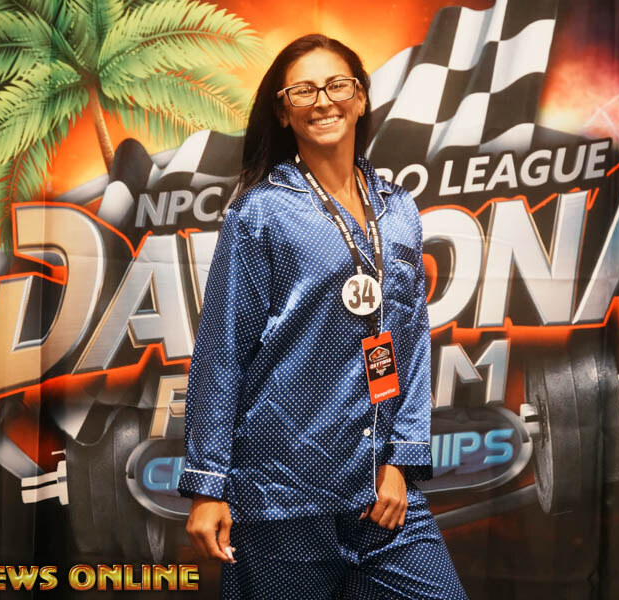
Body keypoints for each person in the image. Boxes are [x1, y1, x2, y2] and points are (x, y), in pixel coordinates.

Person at [176, 33, 468, 600]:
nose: (322, 101)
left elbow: (409, 340)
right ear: (283, 112)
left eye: (337, 85)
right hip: (281, 496)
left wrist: (401, 463)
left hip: (379, 492)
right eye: (303, 91)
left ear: (360, 99)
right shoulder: (260, 213)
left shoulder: (398, 209)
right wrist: (208, 486)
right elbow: (221, 352)